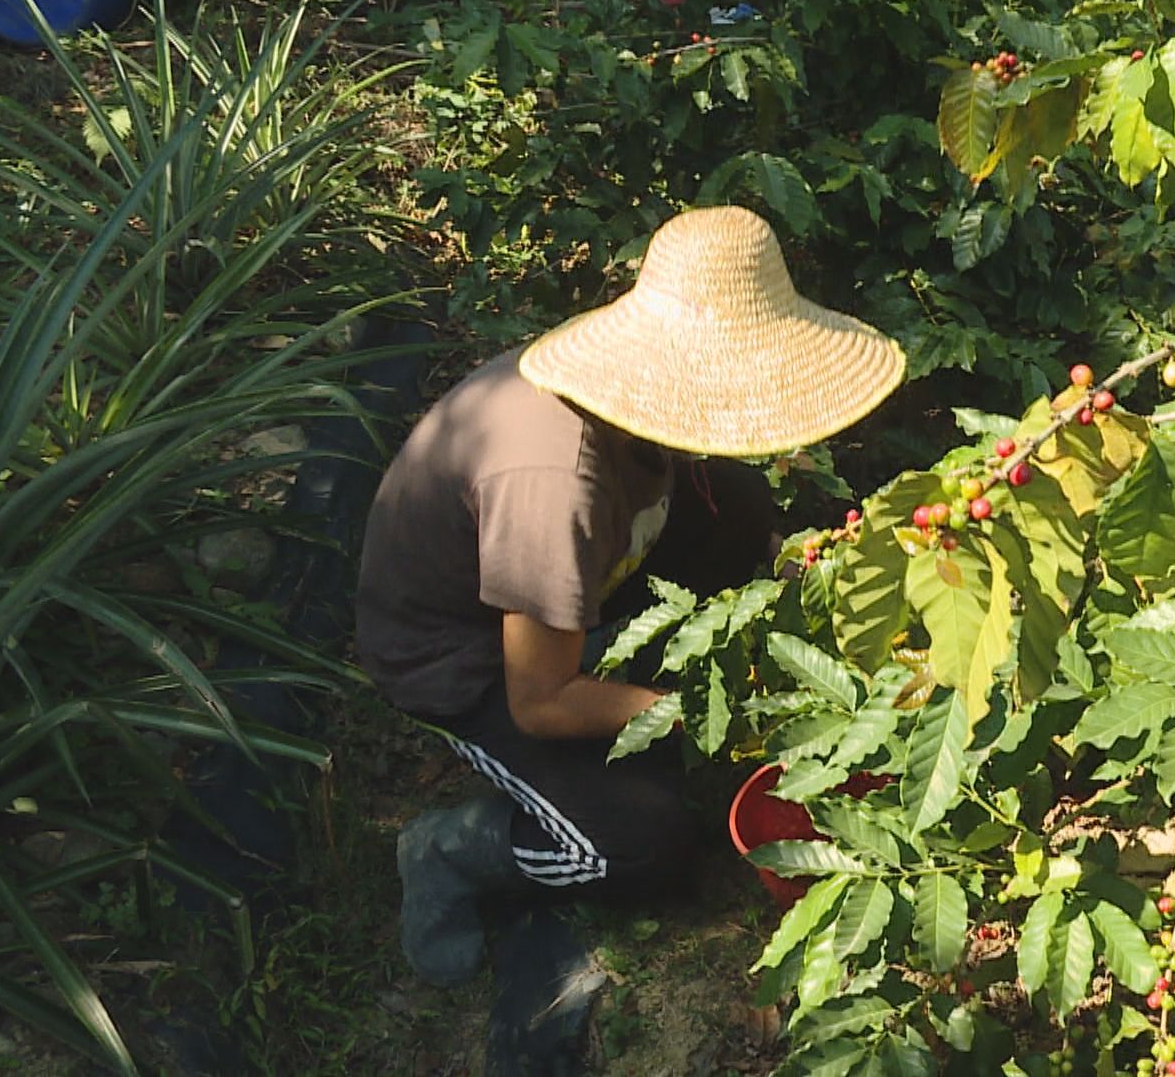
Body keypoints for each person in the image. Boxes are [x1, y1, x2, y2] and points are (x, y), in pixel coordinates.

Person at [352, 206, 903, 1068]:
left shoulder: (635, 407)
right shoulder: (555, 485)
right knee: (636, 845)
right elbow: (540, 701)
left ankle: (650, 654)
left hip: (578, 585)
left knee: (747, 510)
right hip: (471, 665)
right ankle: (451, 851)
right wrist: (696, 714)